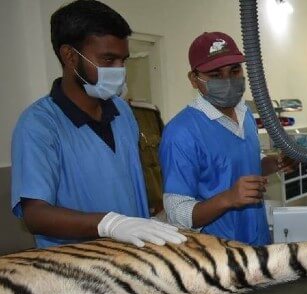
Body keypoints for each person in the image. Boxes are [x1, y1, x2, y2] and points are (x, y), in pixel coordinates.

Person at [11, 0, 185, 249]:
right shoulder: (39, 125)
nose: (120, 70)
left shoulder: (123, 112)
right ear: (70, 56)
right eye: (108, 59)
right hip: (77, 269)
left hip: (133, 259)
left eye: (123, 60)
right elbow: (35, 215)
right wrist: (109, 224)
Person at [158, 32, 297, 245]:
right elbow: (177, 212)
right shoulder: (181, 132)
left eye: (234, 71)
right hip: (218, 252)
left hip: (258, 242)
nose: (228, 81)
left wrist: (276, 162)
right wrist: (228, 199)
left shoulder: (245, 113)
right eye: (215, 75)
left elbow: (247, 161)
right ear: (194, 79)